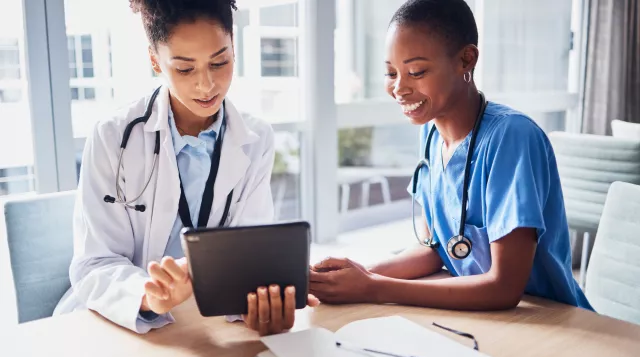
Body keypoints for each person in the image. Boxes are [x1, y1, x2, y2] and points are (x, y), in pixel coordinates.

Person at [309, 0, 593, 311]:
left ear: (466, 60)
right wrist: (356, 275)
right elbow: (435, 249)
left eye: (416, 71)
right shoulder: (430, 136)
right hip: (482, 315)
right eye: (391, 73)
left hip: (548, 318)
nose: (399, 88)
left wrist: (374, 288)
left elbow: (505, 287)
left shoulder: (512, 137)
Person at [54, 0, 317, 335]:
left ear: (234, 48)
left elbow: (251, 253)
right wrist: (151, 295)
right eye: (184, 69)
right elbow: (94, 265)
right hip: (120, 322)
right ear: (154, 60)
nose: (206, 85)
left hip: (206, 324)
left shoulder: (255, 138)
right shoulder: (112, 136)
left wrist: (259, 300)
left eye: (219, 62)